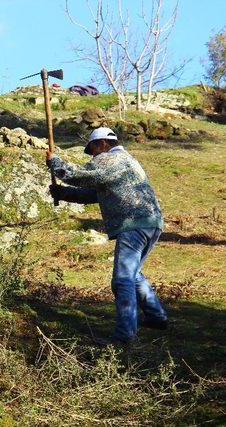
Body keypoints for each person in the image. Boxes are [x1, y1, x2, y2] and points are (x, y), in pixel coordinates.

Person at [46, 127, 168, 345]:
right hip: (152, 223)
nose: (92, 156)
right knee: (134, 275)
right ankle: (157, 317)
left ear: (103, 144)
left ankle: (125, 336)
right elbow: (96, 193)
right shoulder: (128, 161)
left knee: (122, 281)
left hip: (133, 224)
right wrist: (64, 194)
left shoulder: (110, 160)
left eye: (92, 150)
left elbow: (78, 176)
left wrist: (55, 163)